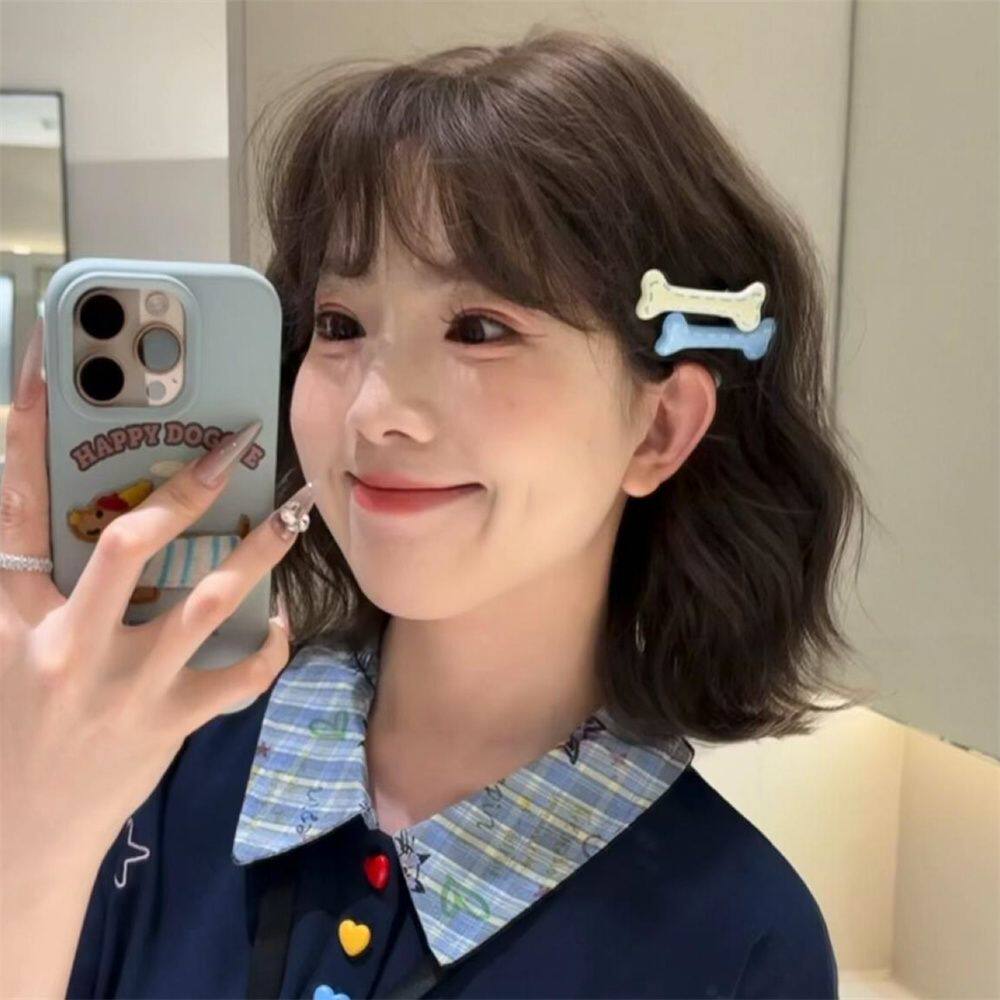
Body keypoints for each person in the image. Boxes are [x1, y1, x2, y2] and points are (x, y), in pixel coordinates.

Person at [0, 27, 874, 1000]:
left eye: (480, 328)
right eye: (339, 324)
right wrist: (34, 830)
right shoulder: (137, 755)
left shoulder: (739, 943)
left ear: (659, 428)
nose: (374, 412)